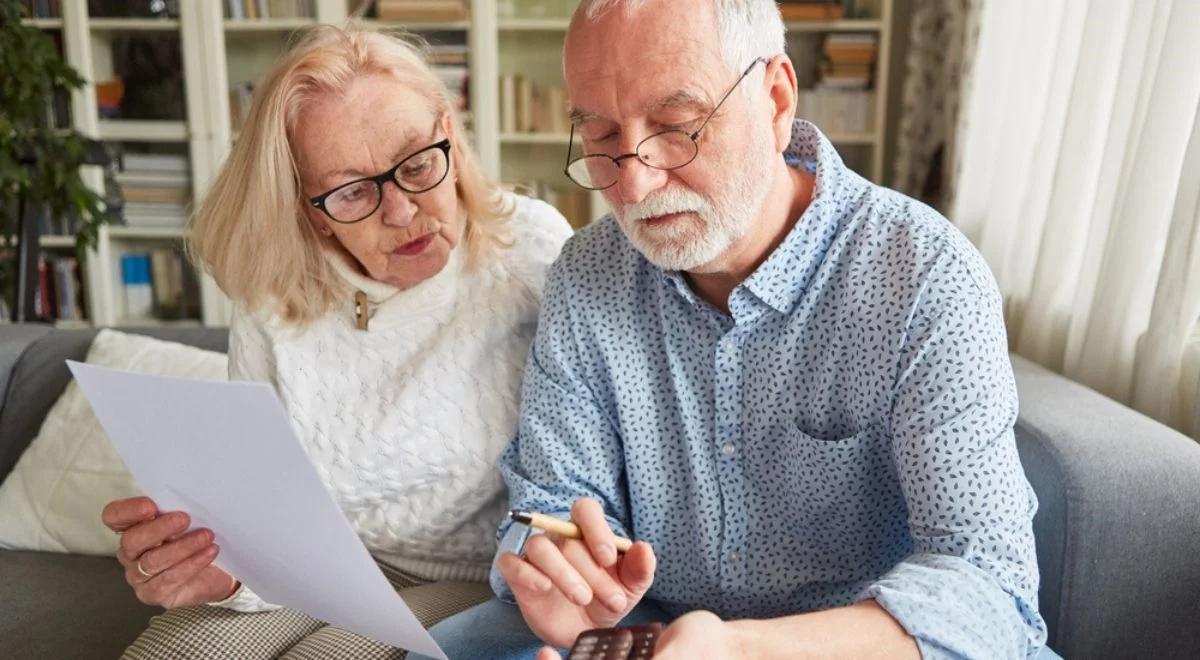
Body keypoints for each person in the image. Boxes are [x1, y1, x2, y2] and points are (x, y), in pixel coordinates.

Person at [425, 1, 1059, 658]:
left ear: (777, 100)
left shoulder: (924, 276)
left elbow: (990, 589)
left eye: (675, 127)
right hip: (648, 632)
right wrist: (556, 567)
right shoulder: (587, 274)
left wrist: (740, 649)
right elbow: (551, 498)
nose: (634, 185)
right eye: (602, 138)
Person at [99, 24, 572, 659]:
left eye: (417, 163)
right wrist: (227, 570)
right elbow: (265, 504)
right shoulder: (273, 295)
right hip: (307, 571)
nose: (401, 211)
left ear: (450, 135)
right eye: (351, 190)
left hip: (468, 577)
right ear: (309, 206)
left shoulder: (531, 252)